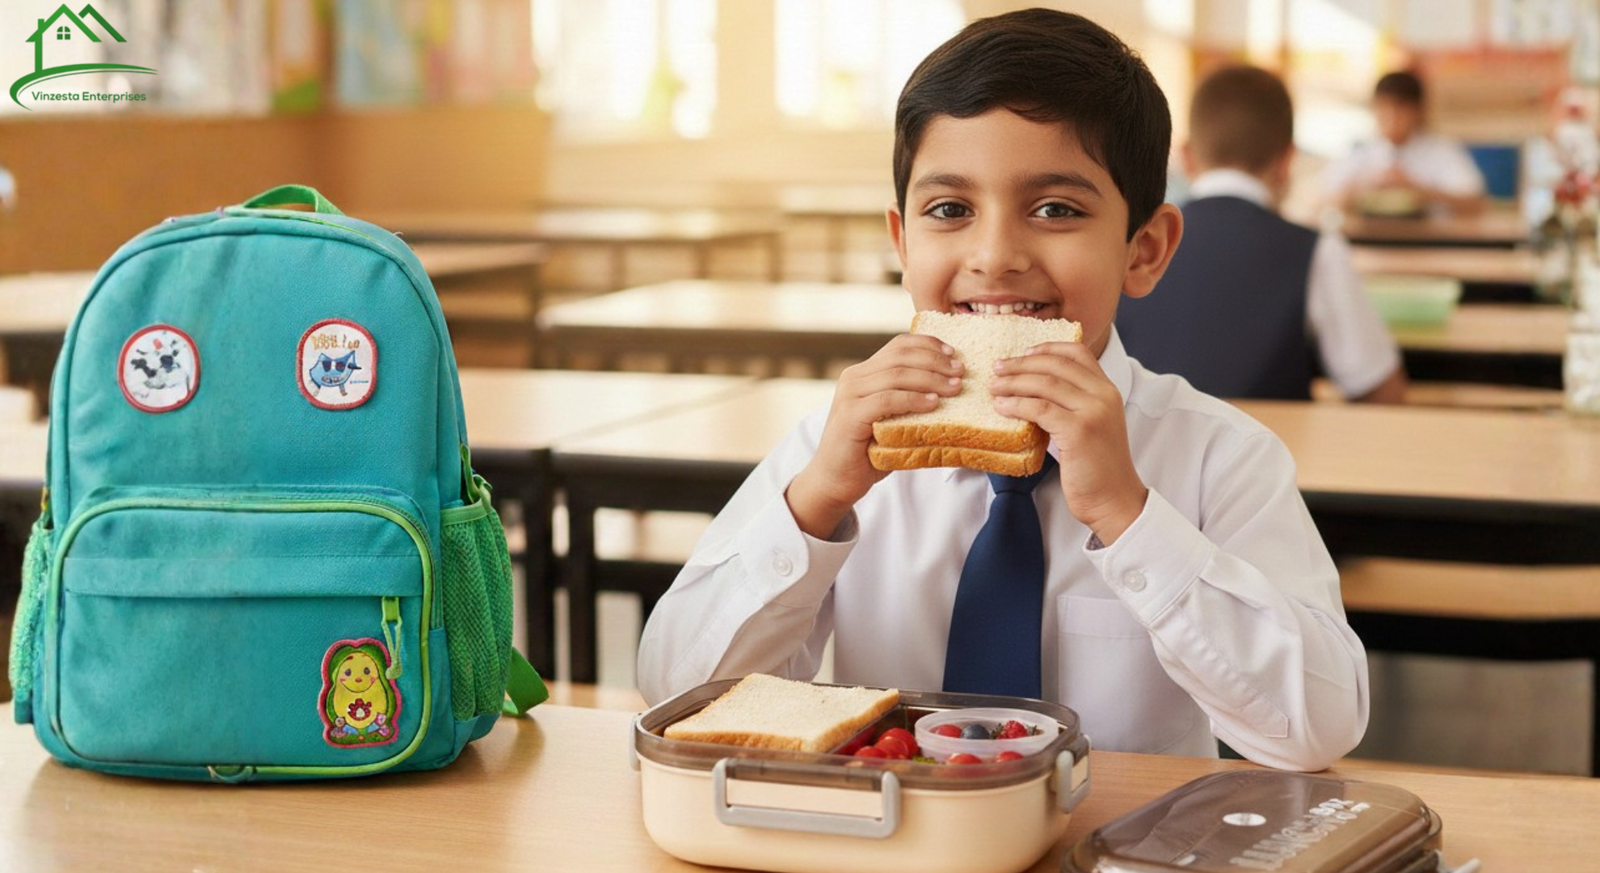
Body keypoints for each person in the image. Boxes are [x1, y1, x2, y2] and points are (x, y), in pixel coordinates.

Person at [637, 8, 1368, 771]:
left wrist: (1129, 513)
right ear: (902, 242)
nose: (993, 255)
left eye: (1056, 209)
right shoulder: (832, 451)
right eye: (950, 210)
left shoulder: (1221, 457)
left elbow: (1318, 725)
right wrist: (815, 502)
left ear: (1144, 251)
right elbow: (673, 691)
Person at [1118, 65, 1408, 403]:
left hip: (1137, 454)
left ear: (1186, 156)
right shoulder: (1315, 250)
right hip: (1274, 452)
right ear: (1287, 160)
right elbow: (1379, 388)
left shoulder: (1135, 242)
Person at [1322, 70, 1486, 216]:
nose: (1391, 118)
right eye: (1384, 108)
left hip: (1431, 244)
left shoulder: (1442, 151)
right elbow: (1324, 199)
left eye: (1400, 109)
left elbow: (1475, 203)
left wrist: (1417, 190)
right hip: (1369, 243)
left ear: (1418, 111)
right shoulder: (1361, 151)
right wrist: (1366, 187)